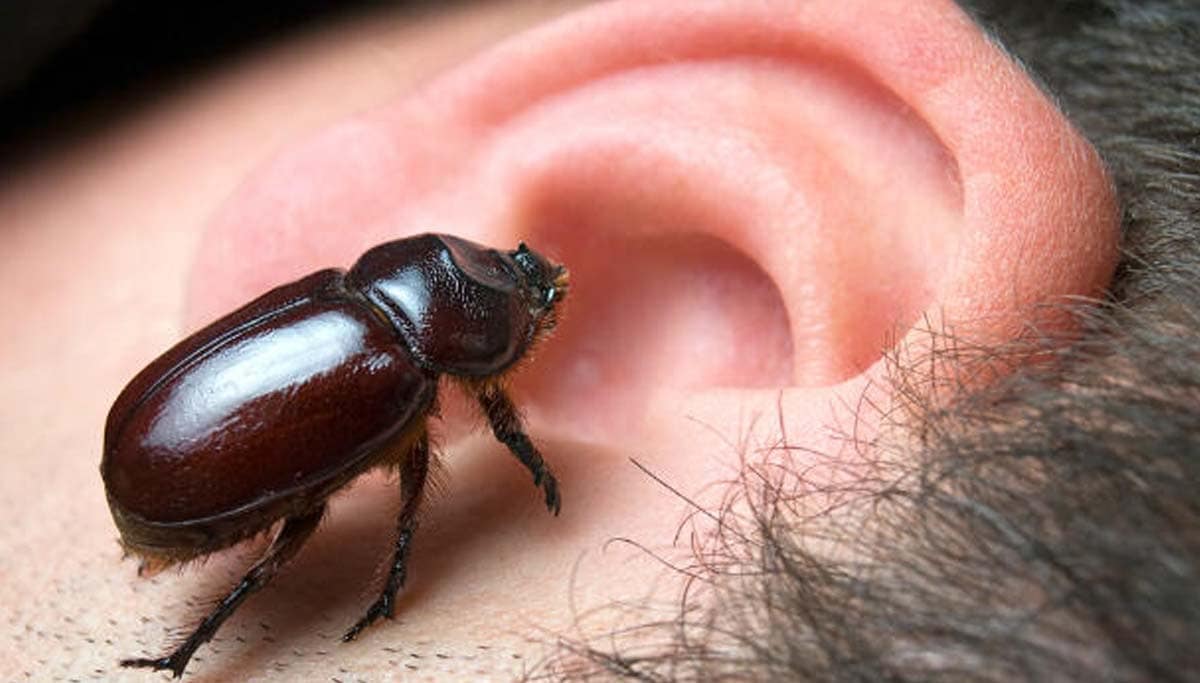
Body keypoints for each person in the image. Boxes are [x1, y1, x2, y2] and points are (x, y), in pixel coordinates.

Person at [1, 0, 1195, 680]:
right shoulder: (402, 370)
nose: (535, 284)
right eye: (521, 290)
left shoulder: (366, 327)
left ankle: (188, 651)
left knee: (286, 548)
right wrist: (504, 473)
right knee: (295, 541)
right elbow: (420, 493)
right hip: (177, 470)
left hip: (172, 465)